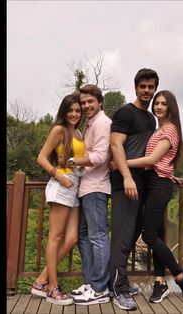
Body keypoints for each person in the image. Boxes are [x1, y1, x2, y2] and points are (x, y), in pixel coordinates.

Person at [118, 90, 183, 304]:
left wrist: (122, 163)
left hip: (158, 186)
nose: (158, 107)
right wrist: (170, 174)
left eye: (163, 104)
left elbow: (152, 159)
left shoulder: (170, 130)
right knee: (157, 233)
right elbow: (161, 161)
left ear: (171, 108)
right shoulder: (159, 130)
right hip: (154, 182)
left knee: (149, 236)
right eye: (156, 103)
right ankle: (160, 283)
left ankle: (179, 274)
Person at [109, 68, 159, 310]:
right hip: (123, 183)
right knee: (122, 235)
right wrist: (127, 176)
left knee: (133, 232)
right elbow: (116, 145)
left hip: (141, 182)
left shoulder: (151, 119)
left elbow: (150, 151)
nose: (147, 91)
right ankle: (117, 290)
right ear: (136, 87)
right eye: (143, 86)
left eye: (151, 87)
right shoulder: (125, 113)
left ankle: (121, 282)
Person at [30, 93, 85, 305]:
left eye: (77, 111)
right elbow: (41, 158)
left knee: (71, 238)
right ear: (64, 111)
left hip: (75, 186)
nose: (74, 114)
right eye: (70, 110)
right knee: (56, 237)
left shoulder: (79, 132)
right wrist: (59, 176)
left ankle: (41, 281)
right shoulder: (59, 130)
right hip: (62, 184)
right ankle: (52, 289)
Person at [69, 84, 111, 305]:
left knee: (98, 237)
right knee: (84, 238)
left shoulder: (103, 122)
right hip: (86, 187)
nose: (86, 106)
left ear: (99, 102)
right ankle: (91, 283)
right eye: (83, 102)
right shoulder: (90, 124)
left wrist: (72, 160)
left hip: (96, 187)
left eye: (89, 102)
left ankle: (100, 289)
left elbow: (101, 156)